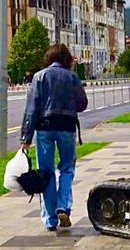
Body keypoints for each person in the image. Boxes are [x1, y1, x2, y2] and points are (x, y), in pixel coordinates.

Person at [20, 44, 88, 231]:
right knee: (67, 169)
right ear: (66, 59)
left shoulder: (39, 77)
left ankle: (50, 219)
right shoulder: (72, 77)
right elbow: (82, 104)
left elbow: (31, 109)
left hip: (45, 127)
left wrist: (26, 138)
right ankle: (63, 206)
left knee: (46, 172)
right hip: (67, 126)